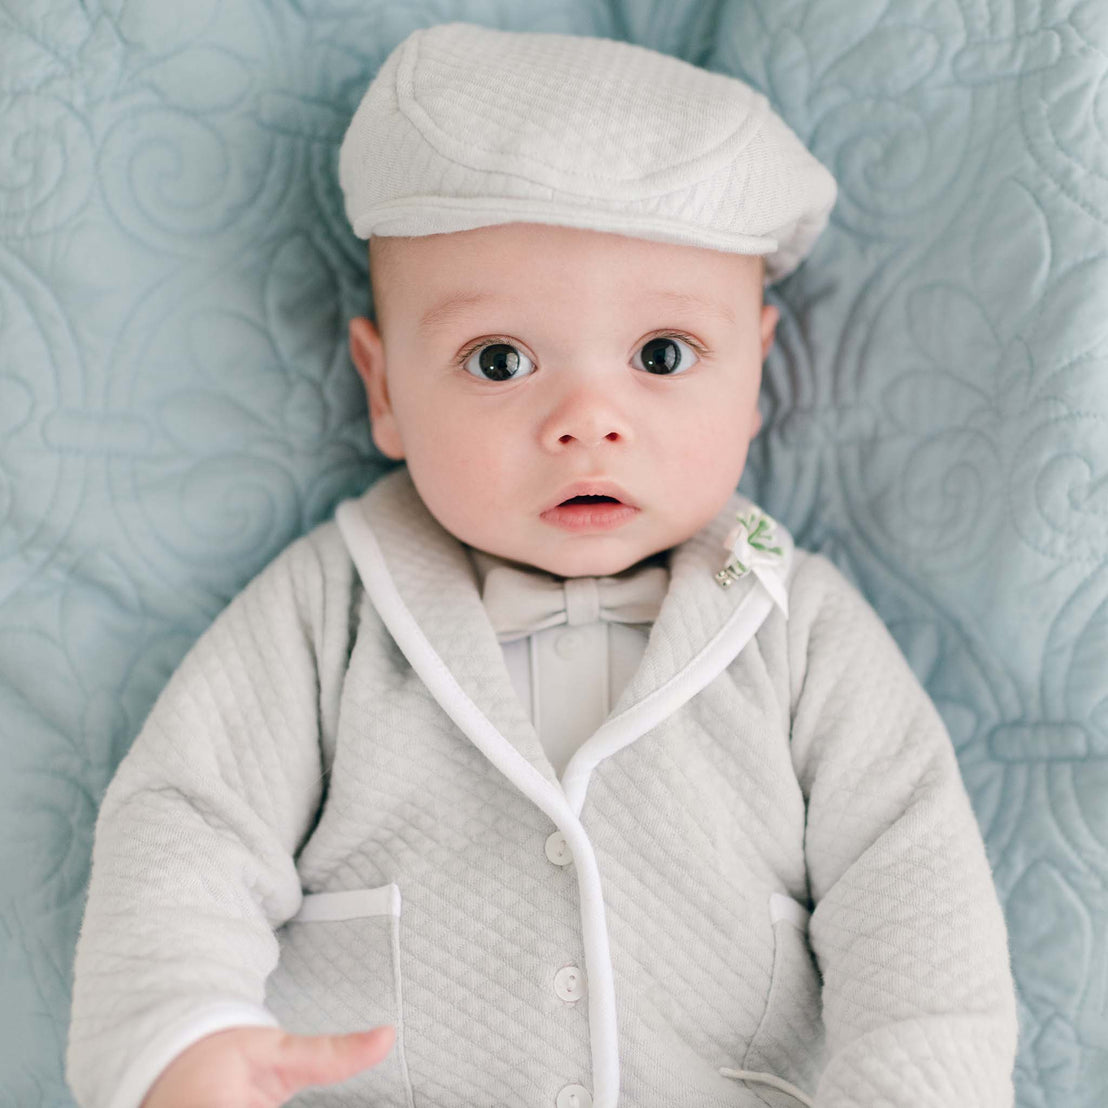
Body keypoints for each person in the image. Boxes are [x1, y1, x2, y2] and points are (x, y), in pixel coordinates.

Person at [66, 21, 1019, 1108]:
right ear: (383, 389)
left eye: (662, 355)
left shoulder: (795, 628)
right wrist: (183, 1031)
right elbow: (188, 816)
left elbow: (914, 893)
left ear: (757, 369)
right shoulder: (333, 611)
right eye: (499, 360)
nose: (587, 422)